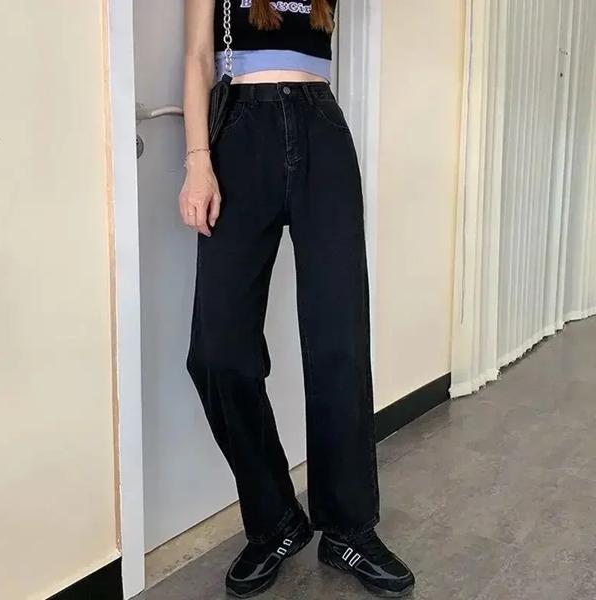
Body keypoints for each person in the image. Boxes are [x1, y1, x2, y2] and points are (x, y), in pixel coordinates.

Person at [181, 0, 415, 597]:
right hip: (239, 133)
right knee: (217, 352)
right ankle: (276, 520)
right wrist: (198, 162)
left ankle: (348, 530)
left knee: (339, 340)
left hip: (320, 128)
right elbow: (199, 56)